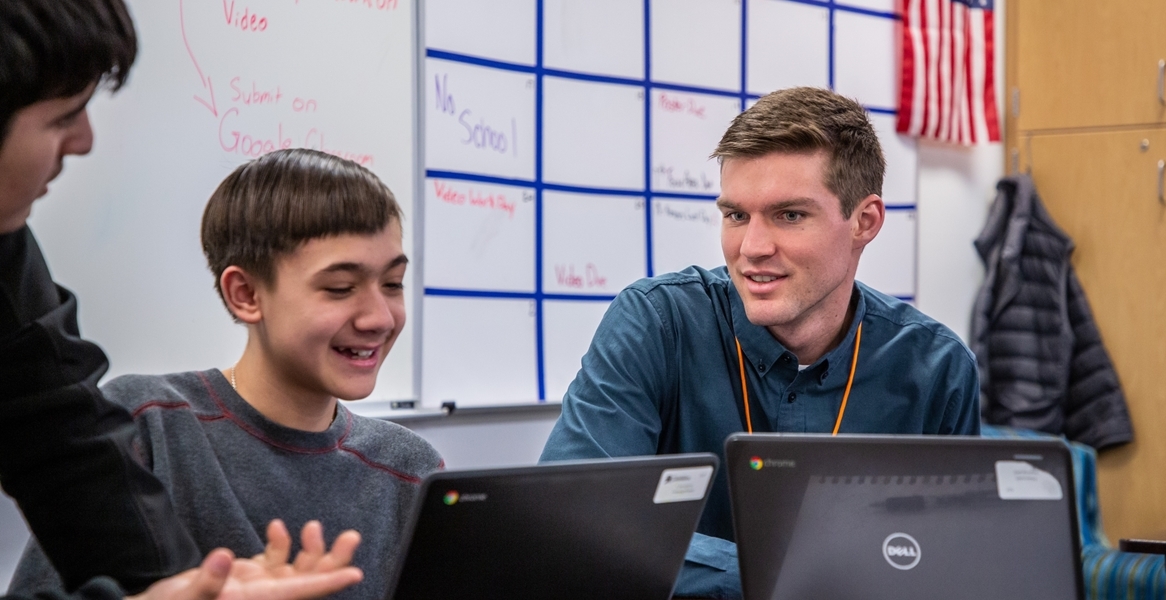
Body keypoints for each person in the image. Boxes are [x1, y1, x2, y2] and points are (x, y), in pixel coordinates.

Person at [539, 87, 981, 599]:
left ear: (865, 222)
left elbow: (947, 565)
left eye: (789, 215)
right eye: (735, 216)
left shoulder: (937, 369)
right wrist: (790, 579)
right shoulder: (658, 323)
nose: (752, 249)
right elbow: (573, 522)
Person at [1, 1, 365, 599]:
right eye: (63, 116)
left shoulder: (5, 244)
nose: (85, 141)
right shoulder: (161, 421)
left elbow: (63, 431)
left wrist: (185, 586)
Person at [11, 148, 443, 600]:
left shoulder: (409, 469)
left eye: (393, 284)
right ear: (246, 294)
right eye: (340, 289)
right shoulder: (144, 425)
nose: (379, 317)